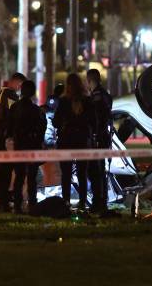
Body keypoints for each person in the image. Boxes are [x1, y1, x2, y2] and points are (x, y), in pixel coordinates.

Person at [52, 73, 96, 210]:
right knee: (82, 173)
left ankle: (66, 201)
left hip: (66, 140)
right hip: (83, 140)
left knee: (66, 174)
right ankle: (82, 202)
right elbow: (94, 121)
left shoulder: (64, 101)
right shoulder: (88, 101)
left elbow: (56, 122)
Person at [6, 80, 47, 214]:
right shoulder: (37, 110)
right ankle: (32, 204)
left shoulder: (15, 108)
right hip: (32, 146)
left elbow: (9, 128)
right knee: (32, 177)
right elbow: (42, 128)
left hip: (19, 145)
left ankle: (18, 205)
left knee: (19, 177)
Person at [0, 72, 26, 211]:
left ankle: (3, 198)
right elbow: (7, 116)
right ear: (14, 82)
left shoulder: (4, 94)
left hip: (2, 134)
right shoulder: (8, 94)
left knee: (5, 168)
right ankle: (4, 199)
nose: (20, 87)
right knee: (6, 168)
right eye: (20, 84)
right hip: (4, 136)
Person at [87, 69, 113, 212]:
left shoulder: (96, 97)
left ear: (89, 81)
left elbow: (96, 118)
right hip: (104, 137)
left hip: (97, 137)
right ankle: (102, 199)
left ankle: (98, 201)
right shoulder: (106, 95)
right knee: (100, 169)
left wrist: (94, 135)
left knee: (95, 171)